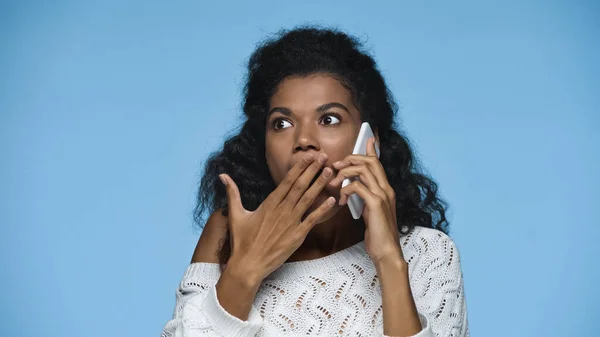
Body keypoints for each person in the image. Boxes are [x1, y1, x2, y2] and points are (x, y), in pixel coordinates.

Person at [162, 27, 469, 337]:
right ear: (264, 148)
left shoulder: (427, 252)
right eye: (281, 123)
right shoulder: (228, 234)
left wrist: (389, 260)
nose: (304, 140)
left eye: (329, 119)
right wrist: (245, 271)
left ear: (369, 141)